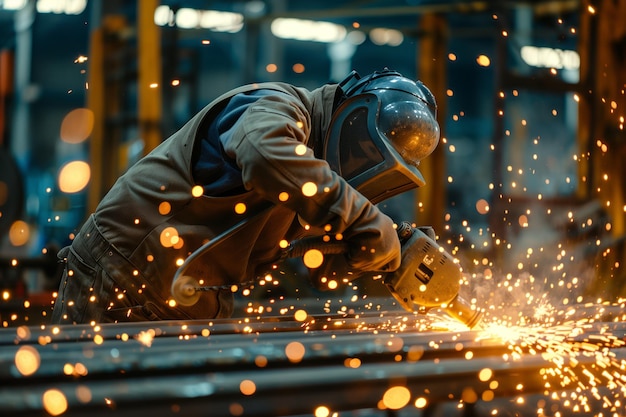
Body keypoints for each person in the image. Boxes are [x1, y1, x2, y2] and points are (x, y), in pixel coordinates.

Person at [50, 68, 440, 324]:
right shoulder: (278, 105)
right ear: (349, 110)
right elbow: (262, 153)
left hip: (186, 292)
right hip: (122, 272)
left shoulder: (315, 175)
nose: (355, 163)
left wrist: (376, 257)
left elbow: (317, 270)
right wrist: (366, 222)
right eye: (362, 149)